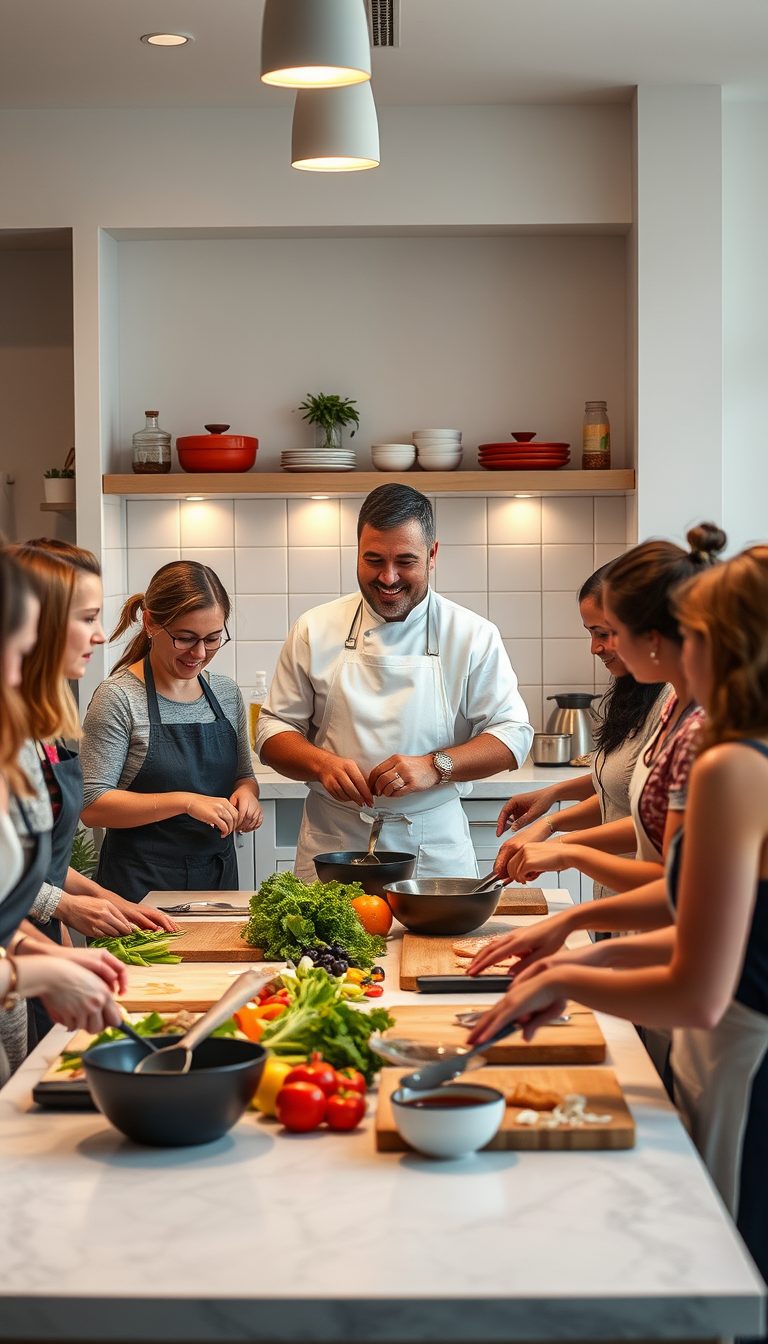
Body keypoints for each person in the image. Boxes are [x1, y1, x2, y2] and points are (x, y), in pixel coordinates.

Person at [467, 545, 768, 1285]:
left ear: (722, 644)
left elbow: (698, 990)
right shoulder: (744, 749)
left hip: (743, 1050)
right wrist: (578, 946)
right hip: (740, 1034)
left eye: (691, 634)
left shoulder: (730, 762)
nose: (678, 650)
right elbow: (698, 905)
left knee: (720, 1274)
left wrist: (566, 978)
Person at [257, 483, 533, 880]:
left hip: (432, 845)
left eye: (405, 561)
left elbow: (513, 736)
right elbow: (272, 730)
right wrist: (321, 764)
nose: (388, 577)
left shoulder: (472, 634)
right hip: (334, 840)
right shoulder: (313, 628)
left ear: (432, 555)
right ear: (357, 552)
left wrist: (436, 766)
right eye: (373, 560)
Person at [497, 525, 725, 896]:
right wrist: (555, 811)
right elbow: (631, 796)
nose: (598, 647)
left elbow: (672, 883)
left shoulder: (701, 727)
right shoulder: (665, 705)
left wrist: (564, 848)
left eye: (609, 631)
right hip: (626, 908)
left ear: (653, 632)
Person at [10, 542, 176, 944]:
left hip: (35, 945)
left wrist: (107, 901)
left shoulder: (41, 725)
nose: (100, 636)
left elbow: (36, 864)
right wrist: (64, 908)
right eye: (88, 618)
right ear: (40, 622)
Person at [0, 552, 124, 1082]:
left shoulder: (31, 731)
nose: (100, 635)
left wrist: (45, 956)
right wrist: (38, 969)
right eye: (88, 617)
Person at [81, 561, 262, 902]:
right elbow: (92, 805)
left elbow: (244, 776)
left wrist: (247, 794)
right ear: (150, 623)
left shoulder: (225, 693)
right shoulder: (118, 697)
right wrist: (185, 802)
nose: (199, 653)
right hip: (137, 889)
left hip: (217, 882)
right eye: (185, 638)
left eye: (213, 639)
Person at [492, 564, 667, 902]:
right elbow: (620, 789)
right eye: (591, 633)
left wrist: (561, 845)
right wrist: (553, 802)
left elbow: (654, 824)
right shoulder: (635, 692)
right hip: (616, 902)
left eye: (602, 633)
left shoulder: (676, 705)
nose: (594, 648)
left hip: (645, 905)